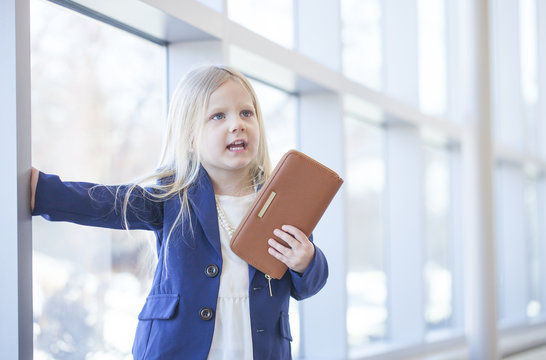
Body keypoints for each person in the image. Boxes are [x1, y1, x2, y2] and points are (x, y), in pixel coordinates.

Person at [30, 65, 329, 360]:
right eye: (218, 116)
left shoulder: (282, 199)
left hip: (258, 348)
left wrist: (307, 261)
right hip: (177, 347)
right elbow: (107, 202)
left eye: (246, 113)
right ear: (189, 136)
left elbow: (307, 286)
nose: (237, 124)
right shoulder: (172, 195)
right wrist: (42, 191)